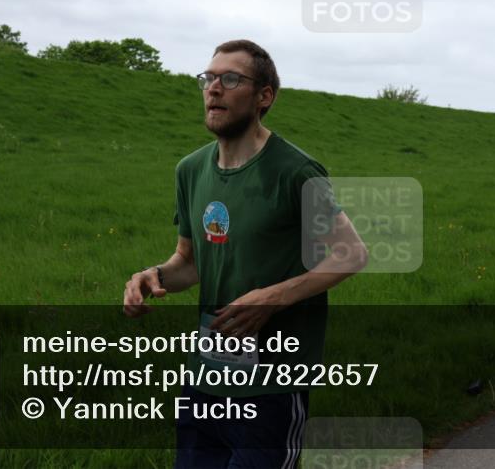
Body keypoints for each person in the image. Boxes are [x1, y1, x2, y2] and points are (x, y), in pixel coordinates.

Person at [122, 39, 368, 468]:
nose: (214, 88)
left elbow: (352, 254)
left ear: (264, 96)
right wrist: (154, 277)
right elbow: (190, 262)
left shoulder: (295, 172)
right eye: (208, 78)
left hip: (271, 386)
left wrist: (273, 298)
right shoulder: (191, 170)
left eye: (231, 79)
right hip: (205, 378)